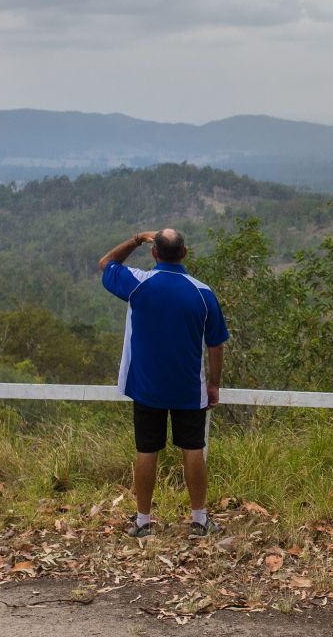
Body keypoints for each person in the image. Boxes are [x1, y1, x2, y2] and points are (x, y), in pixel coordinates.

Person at [98, 228, 228, 538]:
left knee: (147, 450)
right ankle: (199, 519)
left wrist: (135, 239)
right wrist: (214, 384)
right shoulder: (202, 292)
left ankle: (143, 522)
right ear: (185, 253)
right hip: (188, 387)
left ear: (155, 254)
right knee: (193, 448)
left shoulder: (138, 284)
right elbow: (216, 344)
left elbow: (106, 263)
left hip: (146, 385)